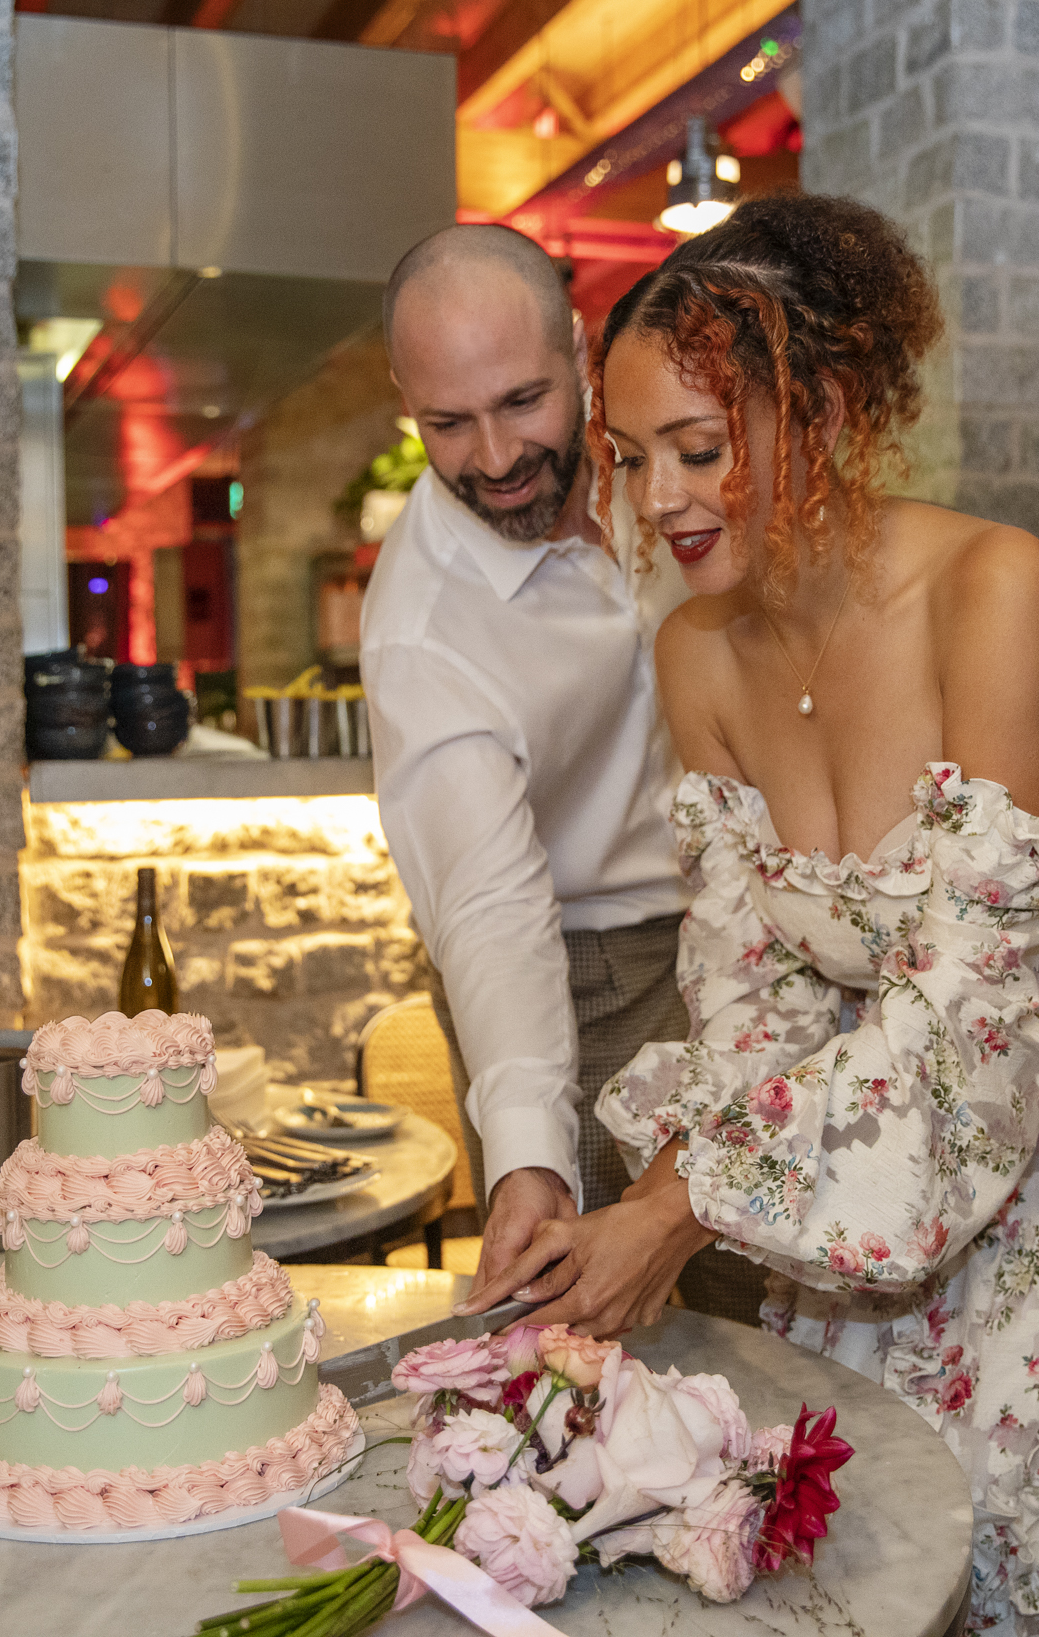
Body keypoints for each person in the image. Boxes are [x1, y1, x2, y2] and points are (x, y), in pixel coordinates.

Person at [463, 195, 1039, 1635]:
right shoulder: (698, 653)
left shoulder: (994, 594)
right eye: (634, 457)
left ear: (827, 408)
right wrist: (646, 1193)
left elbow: (978, 1051)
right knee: (864, 1553)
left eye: (700, 450)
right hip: (849, 1199)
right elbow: (750, 1011)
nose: (660, 502)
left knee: (1018, 1560)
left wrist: (685, 1205)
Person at [360, 224, 764, 1322]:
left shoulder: (667, 454)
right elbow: (492, 908)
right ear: (405, 401)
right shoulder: (421, 630)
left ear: (580, 351)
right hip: (584, 976)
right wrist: (529, 1153)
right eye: (447, 422)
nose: (493, 457)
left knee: (786, 1286)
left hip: (758, 936)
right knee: (640, 1326)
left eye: (523, 401)